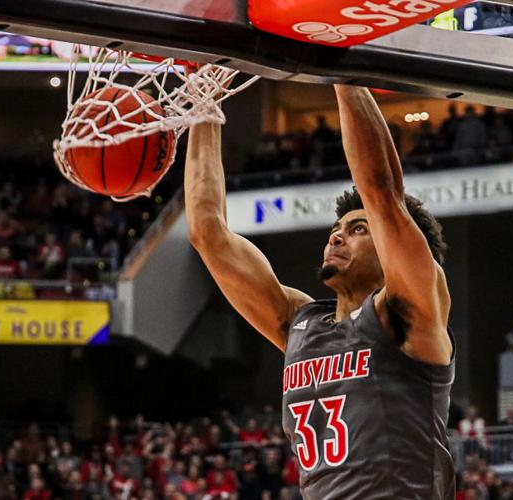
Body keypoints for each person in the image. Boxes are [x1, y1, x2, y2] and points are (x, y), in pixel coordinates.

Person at [185, 84, 454, 499]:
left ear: (391, 246)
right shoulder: (300, 323)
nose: (337, 238)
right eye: (335, 230)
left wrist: (341, 70)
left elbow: (382, 192)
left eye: (357, 229)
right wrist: (203, 98)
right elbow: (207, 232)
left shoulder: (410, 310)